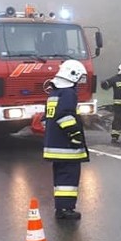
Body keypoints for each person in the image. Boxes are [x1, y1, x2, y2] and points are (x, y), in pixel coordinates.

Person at [43, 59, 90, 219]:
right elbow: (65, 116)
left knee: (60, 178)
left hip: (54, 145)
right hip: (66, 147)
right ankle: (66, 209)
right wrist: (75, 135)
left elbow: (47, 118)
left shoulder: (53, 93)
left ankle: (61, 207)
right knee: (69, 178)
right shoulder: (68, 93)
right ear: (73, 76)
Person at [99, 62, 121, 143]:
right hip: (118, 105)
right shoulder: (115, 79)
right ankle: (115, 136)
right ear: (120, 71)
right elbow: (107, 84)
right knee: (118, 119)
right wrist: (104, 84)